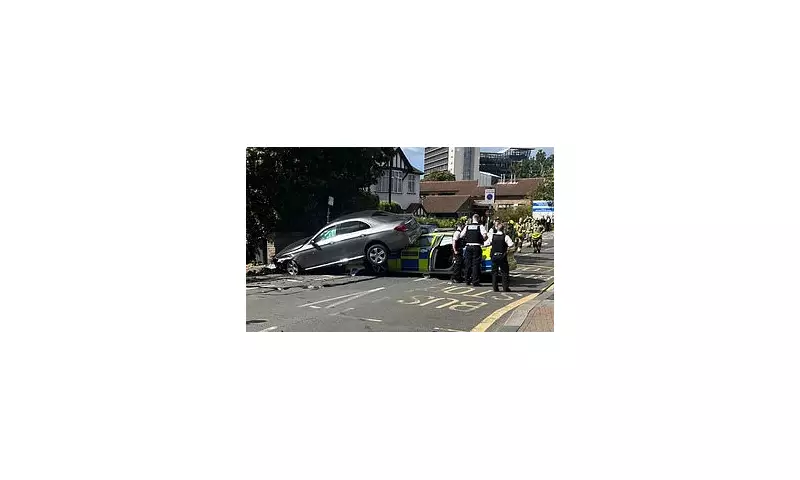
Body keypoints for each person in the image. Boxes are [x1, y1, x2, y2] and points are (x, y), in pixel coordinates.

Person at [462, 214, 488, 287]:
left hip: (468, 247)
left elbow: (461, 235)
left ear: (472, 219)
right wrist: (483, 239)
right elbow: (485, 236)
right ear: (478, 219)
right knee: (476, 265)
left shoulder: (467, 226)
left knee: (468, 264)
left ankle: (467, 280)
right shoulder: (480, 226)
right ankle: (475, 281)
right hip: (476, 246)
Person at [490, 222, 514, 292]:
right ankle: (505, 287)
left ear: (497, 228)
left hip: (494, 256)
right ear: (503, 229)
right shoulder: (505, 237)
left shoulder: (492, 236)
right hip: (502, 256)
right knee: (504, 272)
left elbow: (486, 243)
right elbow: (511, 244)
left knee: (494, 272)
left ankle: (495, 287)